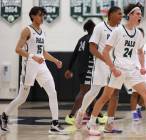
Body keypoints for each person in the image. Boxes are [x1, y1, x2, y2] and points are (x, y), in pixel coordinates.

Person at [86, 3, 146, 138]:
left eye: (141, 14)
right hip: (118, 69)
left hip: (132, 70)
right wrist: (112, 68)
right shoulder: (118, 31)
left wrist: (142, 66)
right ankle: (91, 124)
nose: (140, 16)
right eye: (138, 13)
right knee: (105, 97)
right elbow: (106, 52)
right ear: (130, 15)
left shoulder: (138, 34)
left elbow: (141, 52)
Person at [0, 6, 66, 135]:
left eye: (43, 15)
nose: (42, 18)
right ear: (33, 16)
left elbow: (43, 52)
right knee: (22, 98)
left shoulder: (42, 31)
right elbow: (18, 49)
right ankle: (4, 115)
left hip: (41, 66)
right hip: (29, 65)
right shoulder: (26, 30)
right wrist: (32, 56)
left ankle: (55, 124)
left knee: (53, 92)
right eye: (40, 15)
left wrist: (56, 61)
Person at [75, 6, 123, 133]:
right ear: (111, 14)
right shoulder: (100, 27)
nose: (121, 16)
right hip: (101, 64)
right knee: (95, 91)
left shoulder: (120, 30)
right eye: (119, 14)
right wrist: (106, 60)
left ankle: (110, 123)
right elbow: (92, 48)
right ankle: (81, 112)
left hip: (116, 65)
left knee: (114, 94)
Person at [64, 20, 107, 125]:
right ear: (93, 28)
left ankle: (94, 112)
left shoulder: (81, 39)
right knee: (85, 92)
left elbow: (74, 55)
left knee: (90, 92)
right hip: (88, 68)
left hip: (81, 69)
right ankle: (71, 116)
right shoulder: (92, 40)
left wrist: (69, 69)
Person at [128, 28, 146, 122]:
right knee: (135, 93)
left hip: (145, 72)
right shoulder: (131, 45)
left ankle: (139, 107)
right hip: (135, 72)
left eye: (141, 34)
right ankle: (133, 113)